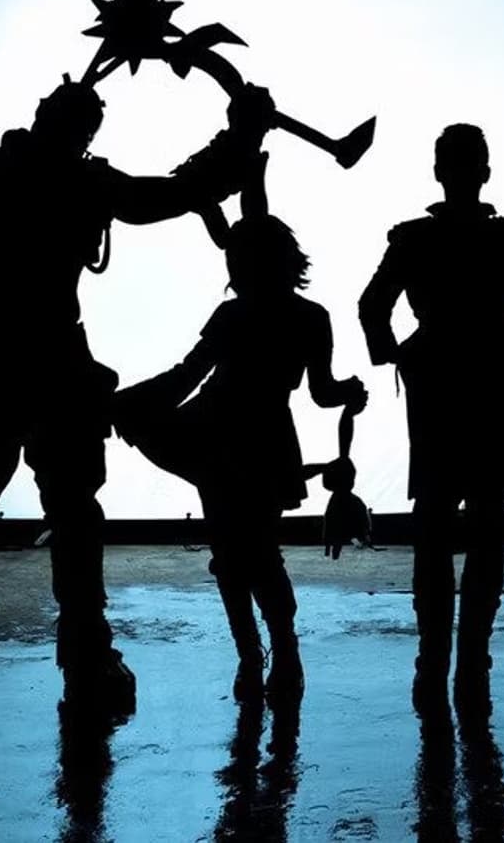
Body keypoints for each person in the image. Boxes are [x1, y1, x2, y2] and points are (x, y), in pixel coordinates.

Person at [0, 74, 274, 719]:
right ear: (79, 131)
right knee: (53, 515)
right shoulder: (76, 182)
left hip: (0, 362)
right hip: (51, 362)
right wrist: (238, 139)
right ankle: (73, 655)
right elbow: (172, 193)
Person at [112, 183, 367, 704]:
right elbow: (322, 392)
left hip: (212, 432)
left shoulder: (233, 316)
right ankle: (284, 653)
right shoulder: (311, 317)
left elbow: (187, 376)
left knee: (230, 553)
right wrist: (350, 393)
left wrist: (129, 403)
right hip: (268, 438)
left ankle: (252, 657)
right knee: (261, 553)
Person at [359, 123, 504, 711]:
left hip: (438, 379)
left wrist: (397, 354)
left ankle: (434, 654)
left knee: (435, 522)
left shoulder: (413, 239)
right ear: (485, 172)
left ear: (438, 172)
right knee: (487, 523)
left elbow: (373, 304)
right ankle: (473, 654)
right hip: (496, 377)